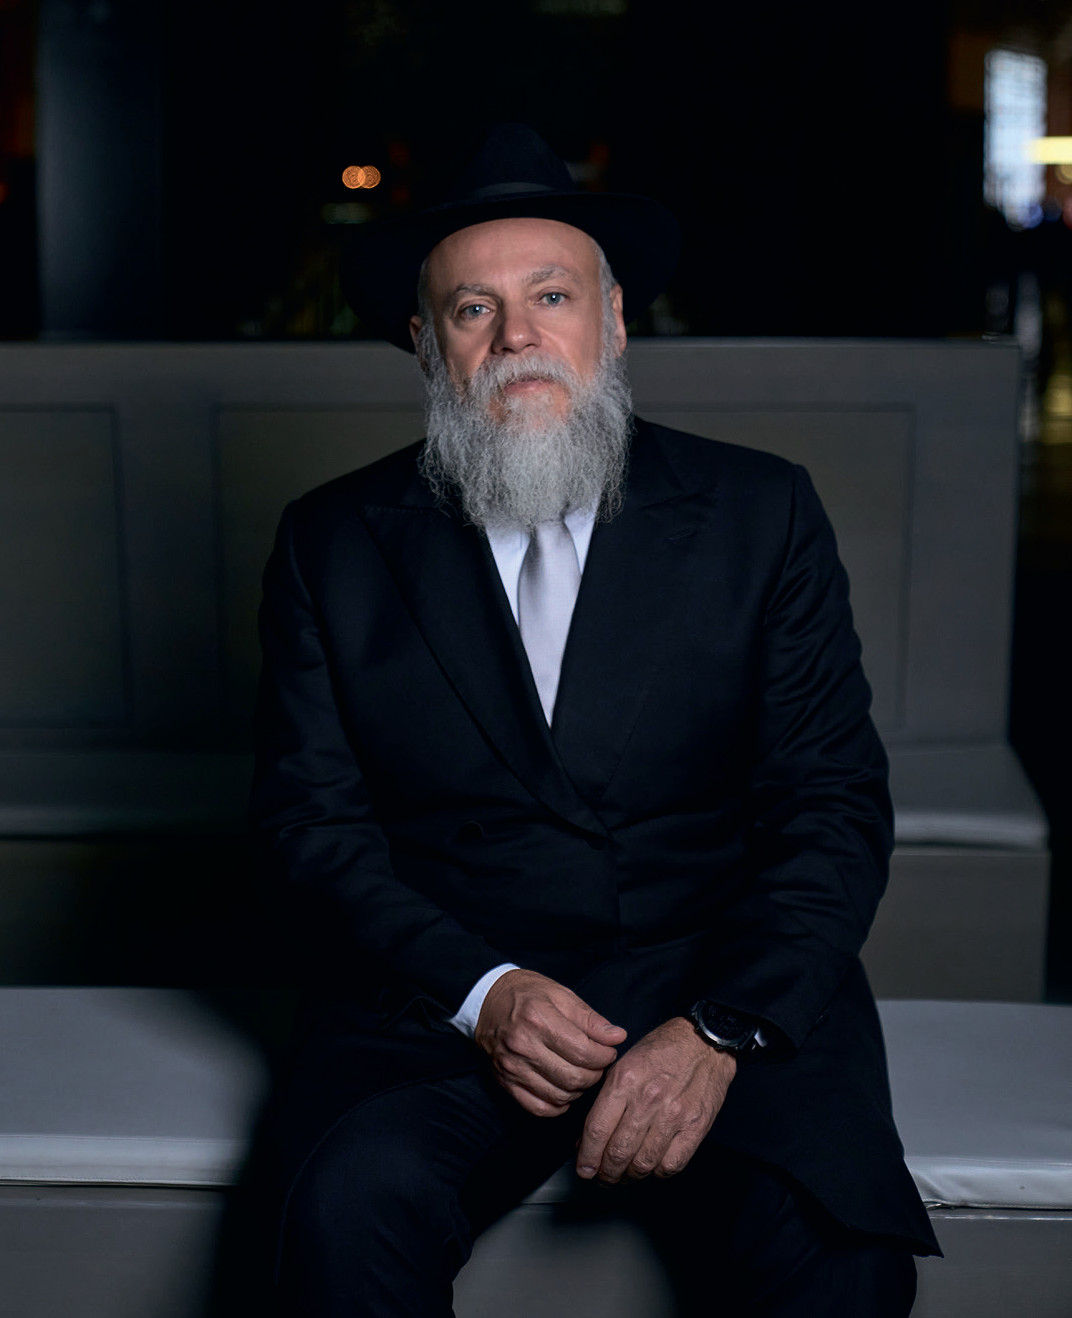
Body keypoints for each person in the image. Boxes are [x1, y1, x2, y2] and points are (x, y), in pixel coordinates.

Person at [251, 124, 939, 1317]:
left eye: (552, 296)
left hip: (711, 980)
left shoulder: (759, 511)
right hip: (443, 997)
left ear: (613, 322)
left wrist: (718, 1031)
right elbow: (310, 829)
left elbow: (829, 807)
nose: (516, 336)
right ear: (425, 343)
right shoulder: (330, 543)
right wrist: (485, 991)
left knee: (836, 1260)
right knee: (343, 1214)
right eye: (473, 308)